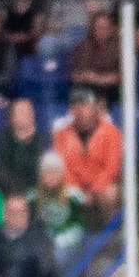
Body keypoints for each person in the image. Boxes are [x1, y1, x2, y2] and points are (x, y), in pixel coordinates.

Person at [54, 86, 122, 218]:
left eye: (86, 105)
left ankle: (110, 229)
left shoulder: (112, 132)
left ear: (96, 108)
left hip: (101, 186)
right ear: (72, 109)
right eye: (78, 106)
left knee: (110, 193)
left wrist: (93, 190)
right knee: (57, 191)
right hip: (74, 187)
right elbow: (62, 168)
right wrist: (79, 192)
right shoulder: (61, 135)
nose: (82, 111)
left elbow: (111, 168)